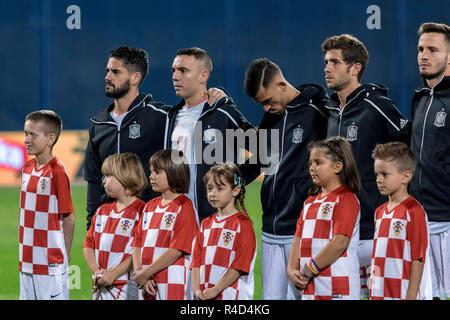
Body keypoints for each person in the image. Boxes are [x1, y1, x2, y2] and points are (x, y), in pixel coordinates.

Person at [321, 34, 411, 297]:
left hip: (374, 232)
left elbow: (409, 150)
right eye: (325, 61)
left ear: (355, 67)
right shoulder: (328, 110)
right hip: (338, 232)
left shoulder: (378, 106)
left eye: (334, 62)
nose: (326, 68)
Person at [241, 58, 329, 299]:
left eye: (267, 101)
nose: (266, 109)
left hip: (302, 230)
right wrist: (232, 181)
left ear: (281, 84)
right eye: (261, 104)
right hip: (270, 228)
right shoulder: (271, 117)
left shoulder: (317, 112)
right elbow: (260, 160)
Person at [84, 46, 170, 230]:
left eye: (115, 72)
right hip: (110, 230)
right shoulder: (99, 124)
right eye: (107, 71)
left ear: (135, 77)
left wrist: (217, 97)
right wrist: (92, 227)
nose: (108, 77)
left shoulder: (161, 117)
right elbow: (94, 181)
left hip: (150, 226)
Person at [166, 47, 255, 224]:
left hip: (214, 221)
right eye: (174, 70)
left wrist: (232, 183)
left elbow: (267, 152)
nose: (175, 76)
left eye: (183, 70)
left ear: (203, 76)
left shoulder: (224, 113)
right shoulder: (170, 117)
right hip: (176, 222)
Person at [287, 136, 361, 300]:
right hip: (312, 286)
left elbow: (340, 242)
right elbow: (298, 238)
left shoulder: (345, 199)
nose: (312, 168)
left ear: (337, 166)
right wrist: (291, 270)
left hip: (338, 287)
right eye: (310, 163)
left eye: (318, 162)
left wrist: (308, 270)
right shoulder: (310, 201)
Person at [410, 22, 450, 300]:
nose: (424, 55)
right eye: (421, 49)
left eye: (433, 50)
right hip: (420, 220)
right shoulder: (420, 99)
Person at [19, 110, 75, 300]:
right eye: (26, 133)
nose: (27, 139)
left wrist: (64, 256)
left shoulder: (57, 171)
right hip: (25, 260)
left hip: (50, 263)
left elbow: (68, 217)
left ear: (50, 138)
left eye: (33, 134)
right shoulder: (26, 169)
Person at [132, 149, 198, 300]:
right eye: (151, 172)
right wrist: (139, 272)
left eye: (157, 172)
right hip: (146, 281)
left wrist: (146, 273)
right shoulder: (149, 206)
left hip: (173, 281)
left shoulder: (185, 207)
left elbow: (177, 250)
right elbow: (137, 242)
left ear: (174, 172)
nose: (151, 176)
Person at [370, 142, 432, 300]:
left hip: (401, 292)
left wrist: (411, 295)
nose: (378, 180)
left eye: (385, 174)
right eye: (377, 174)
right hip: (378, 292)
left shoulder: (414, 211)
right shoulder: (379, 212)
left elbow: (418, 258)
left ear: (406, 176)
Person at [83, 153, 147, 300]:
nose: (104, 181)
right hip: (101, 285)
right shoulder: (101, 211)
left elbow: (139, 251)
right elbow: (88, 245)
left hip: (128, 287)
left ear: (126, 177)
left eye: (109, 176)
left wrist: (114, 273)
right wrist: (97, 271)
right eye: (104, 176)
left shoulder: (142, 212)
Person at [190, 163, 257, 300]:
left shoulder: (242, 224)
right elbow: (196, 261)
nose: (212, 194)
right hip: (205, 294)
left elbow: (240, 265)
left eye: (219, 188)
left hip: (231, 295)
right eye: (209, 188)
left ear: (235, 191)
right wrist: (196, 289)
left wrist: (217, 289)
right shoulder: (205, 224)